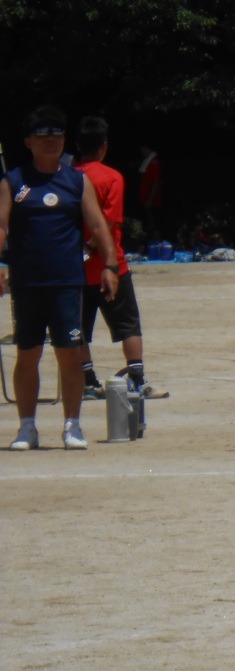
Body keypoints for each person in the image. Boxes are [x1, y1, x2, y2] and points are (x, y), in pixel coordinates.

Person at [1, 106, 119, 451]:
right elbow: (1, 226)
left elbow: (97, 225)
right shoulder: (13, 181)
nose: (50, 139)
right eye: (42, 133)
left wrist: (110, 266)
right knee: (28, 354)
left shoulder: (76, 180)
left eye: (57, 132)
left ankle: (72, 425)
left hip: (67, 282)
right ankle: (27, 427)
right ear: (28, 141)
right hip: (27, 283)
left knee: (69, 354)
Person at [73, 116, 158, 401]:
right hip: (111, 266)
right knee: (128, 325)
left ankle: (87, 382)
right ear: (104, 146)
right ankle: (137, 379)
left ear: (77, 146)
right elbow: (108, 221)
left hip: (75, 268)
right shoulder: (111, 177)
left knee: (79, 330)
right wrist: (92, 246)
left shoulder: (66, 177)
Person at [136, 143, 162, 243]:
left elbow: (156, 182)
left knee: (154, 225)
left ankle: (157, 245)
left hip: (152, 201)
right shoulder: (147, 162)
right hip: (146, 199)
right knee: (149, 225)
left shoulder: (154, 163)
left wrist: (149, 200)